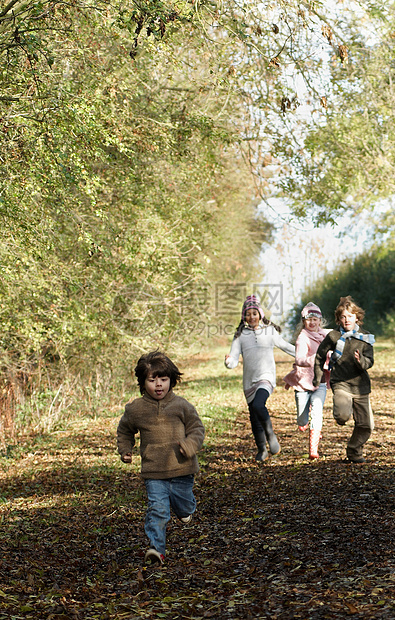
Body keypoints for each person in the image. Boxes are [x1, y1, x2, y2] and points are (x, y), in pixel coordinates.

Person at [117, 350, 205, 565]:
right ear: (142, 381)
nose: (158, 385)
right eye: (152, 380)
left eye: (163, 379)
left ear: (171, 381)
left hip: (182, 469)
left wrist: (190, 445)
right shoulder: (135, 409)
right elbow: (125, 430)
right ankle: (157, 549)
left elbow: (197, 429)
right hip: (154, 471)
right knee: (157, 509)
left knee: (183, 506)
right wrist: (125, 449)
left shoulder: (181, 406)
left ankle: (186, 509)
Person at [225, 294, 295, 462]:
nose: (252, 317)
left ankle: (271, 436)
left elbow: (286, 346)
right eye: (248, 314)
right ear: (244, 317)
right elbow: (234, 358)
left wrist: (306, 355)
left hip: (266, 377)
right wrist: (228, 362)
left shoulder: (269, 331)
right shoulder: (240, 335)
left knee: (258, 404)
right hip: (249, 380)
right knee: (253, 416)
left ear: (260, 314)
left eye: (254, 313)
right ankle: (261, 449)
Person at [313, 296, 375, 463]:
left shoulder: (365, 337)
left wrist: (361, 361)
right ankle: (341, 415)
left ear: (357, 317)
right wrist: (317, 377)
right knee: (342, 416)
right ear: (338, 319)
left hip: (361, 386)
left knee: (366, 425)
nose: (346, 320)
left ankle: (354, 451)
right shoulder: (333, 336)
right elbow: (319, 356)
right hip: (340, 382)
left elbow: (370, 361)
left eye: (350, 316)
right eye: (343, 317)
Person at [283, 302, 330, 459]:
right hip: (303, 382)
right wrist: (316, 359)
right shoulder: (302, 338)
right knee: (302, 419)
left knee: (317, 411)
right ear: (304, 321)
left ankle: (313, 449)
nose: (312, 322)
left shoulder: (324, 336)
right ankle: (304, 421)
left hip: (320, 380)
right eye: (309, 319)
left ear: (320, 321)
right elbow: (300, 359)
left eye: (315, 319)